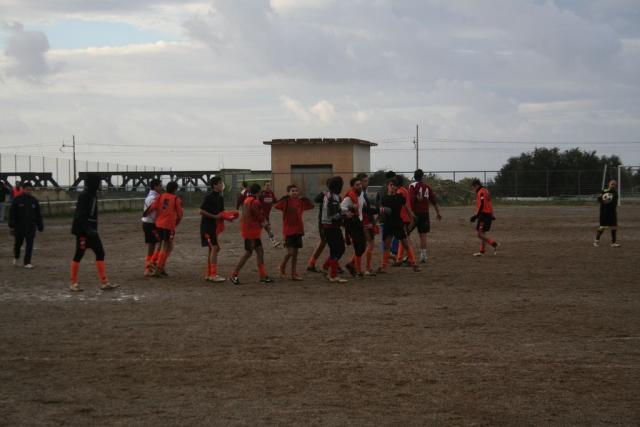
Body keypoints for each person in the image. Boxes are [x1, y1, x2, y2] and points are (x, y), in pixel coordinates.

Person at [69, 174, 118, 292]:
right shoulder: (85, 195)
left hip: (91, 231)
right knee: (79, 255)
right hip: (83, 231)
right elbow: (79, 216)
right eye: (98, 182)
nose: (100, 184)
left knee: (100, 252)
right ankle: (73, 283)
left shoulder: (92, 194)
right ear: (93, 183)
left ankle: (104, 282)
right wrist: (87, 229)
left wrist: (92, 229)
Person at [230, 183, 275, 285]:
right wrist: (269, 231)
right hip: (251, 231)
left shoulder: (247, 200)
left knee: (259, 251)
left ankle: (263, 275)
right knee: (249, 253)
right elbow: (260, 218)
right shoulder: (255, 202)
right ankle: (234, 274)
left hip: (248, 230)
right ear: (258, 191)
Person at [273, 184, 314, 281]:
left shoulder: (301, 202)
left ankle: (293, 273)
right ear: (288, 192)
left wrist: (306, 199)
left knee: (295, 253)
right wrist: (283, 199)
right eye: (292, 191)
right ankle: (282, 265)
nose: (295, 192)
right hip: (288, 230)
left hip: (298, 230)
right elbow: (276, 206)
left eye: (296, 191)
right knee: (290, 252)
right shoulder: (286, 201)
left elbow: (311, 206)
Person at [200, 176, 237, 283]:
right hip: (207, 226)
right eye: (220, 183)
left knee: (212, 249)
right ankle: (213, 275)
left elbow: (221, 212)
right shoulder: (209, 197)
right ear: (215, 185)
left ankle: (208, 274)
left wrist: (229, 217)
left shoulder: (220, 198)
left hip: (214, 227)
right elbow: (201, 211)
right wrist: (214, 216)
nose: (222, 185)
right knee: (215, 248)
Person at [379, 178, 420, 273]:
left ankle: (414, 264)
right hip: (388, 223)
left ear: (397, 187)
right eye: (390, 185)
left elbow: (407, 209)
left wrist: (412, 219)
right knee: (386, 245)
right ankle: (384, 266)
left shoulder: (400, 197)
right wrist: (378, 218)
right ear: (388, 186)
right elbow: (380, 211)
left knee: (405, 244)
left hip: (398, 223)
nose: (392, 187)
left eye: (394, 185)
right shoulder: (384, 198)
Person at [145, 181, 183, 277]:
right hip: (168, 225)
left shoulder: (160, 196)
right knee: (167, 246)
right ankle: (158, 267)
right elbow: (180, 215)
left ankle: (154, 263)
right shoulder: (176, 199)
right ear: (175, 189)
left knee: (162, 245)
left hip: (158, 224)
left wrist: (145, 214)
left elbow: (152, 207)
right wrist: (175, 223)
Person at [408, 169, 442, 263]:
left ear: (414, 176)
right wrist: (438, 213)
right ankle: (423, 256)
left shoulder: (412, 185)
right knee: (423, 235)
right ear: (422, 177)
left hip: (414, 214)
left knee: (406, 233)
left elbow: (410, 199)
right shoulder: (427, 187)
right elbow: (434, 201)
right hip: (425, 213)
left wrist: (416, 199)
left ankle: (409, 254)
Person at [321, 176, 350, 283]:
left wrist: (344, 212)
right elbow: (333, 215)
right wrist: (345, 215)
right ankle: (333, 275)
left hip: (332, 227)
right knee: (337, 250)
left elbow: (337, 210)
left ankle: (325, 267)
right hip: (330, 227)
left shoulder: (333, 196)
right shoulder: (332, 198)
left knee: (339, 249)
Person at [8, 181, 43, 269]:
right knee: (18, 244)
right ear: (23, 189)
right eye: (27, 189)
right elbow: (12, 213)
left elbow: (38, 214)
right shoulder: (17, 199)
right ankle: (16, 257)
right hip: (19, 226)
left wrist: (40, 225)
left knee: (30, 244)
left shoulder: (34, 201)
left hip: (31, 226)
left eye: (30, 189)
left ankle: (27, 262)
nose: (29, 191)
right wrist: (11, 225)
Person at [342, 177, 368, 278]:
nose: (360, 186)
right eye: (357, 185)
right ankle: (357, 271)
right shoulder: (349, 197)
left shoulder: (361, 194)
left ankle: (351, 265)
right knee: (358, 247)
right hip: (352, 223)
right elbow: (341, 207)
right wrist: (350, 209)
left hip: (359, 222)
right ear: (353, 186)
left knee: (363, 246)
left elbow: (364, 206)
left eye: (360, 184)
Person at [307, 178, 331, 273]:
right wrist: (323, 194)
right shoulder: (325, 194)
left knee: (328, 242)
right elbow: (316, 200)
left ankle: (312, 263)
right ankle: (311, 263)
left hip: (330, 223)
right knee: (325, 242)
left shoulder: (335, 195)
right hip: (323, 222)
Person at [470, 178, 499, 256]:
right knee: (483, 233)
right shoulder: (486, 191)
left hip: (484, 215)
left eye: (473, 187)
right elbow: (489, 203)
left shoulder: (481, 192)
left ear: (476, 185)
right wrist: (492, 214)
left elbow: (482, 204)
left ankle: (494, 244)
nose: (473, 189)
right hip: (488, 214)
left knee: (479, 234)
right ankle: (482, 251)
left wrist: (476, 216)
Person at [357, 173, 379, 276]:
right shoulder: (361, 194)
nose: (367, 183)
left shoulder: (363, 193)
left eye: (367, 180)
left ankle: (357, 266)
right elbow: (366, 210)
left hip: (366, 222)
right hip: (365, 223)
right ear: (360, 182)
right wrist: (372, 222)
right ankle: (367, 268)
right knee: (369, 244)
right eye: (365, 181)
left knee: (364, 245)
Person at [141, 179, 163, 276]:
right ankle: (149, 266)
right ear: (155, 186)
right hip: (150, 224)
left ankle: (151, 264)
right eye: (160, 185)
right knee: (154, 244)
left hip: (151, 223)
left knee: (156, 244)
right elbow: (149, 212)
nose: (162, 187)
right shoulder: (153, 198)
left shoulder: (154, 196)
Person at [393, 175, 416, 266]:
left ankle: (409, 259)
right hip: (405, 218)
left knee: (405, 239)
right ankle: (399, 259)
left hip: (402, 218)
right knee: (402, 239)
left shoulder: (399, 192)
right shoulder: (404, 190)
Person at [594, 179, 620, 248]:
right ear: (609, 184)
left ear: (616, 186)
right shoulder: (604, 191)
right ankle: (596, 241)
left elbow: (615, 203)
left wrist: (609, 202)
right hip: (604, 212)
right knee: (602, 227)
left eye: (614, 184)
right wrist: (603, 201)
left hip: (612, 213)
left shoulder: (615, 193)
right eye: (612, 184)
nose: (613, 185)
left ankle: (613, 243)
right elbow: (598, 199)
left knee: (614, 227)